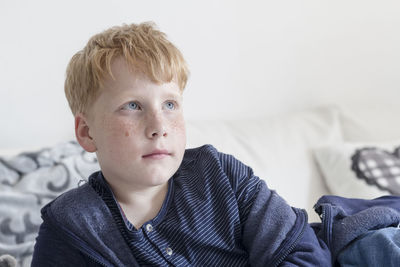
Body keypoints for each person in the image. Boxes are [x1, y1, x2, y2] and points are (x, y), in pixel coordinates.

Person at [31, 22, 331, 266]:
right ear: (86, 132)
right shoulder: (71, 227)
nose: (159, 126)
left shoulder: (221, 175)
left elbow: (304, 253)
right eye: (133, 106)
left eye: (170, 104)